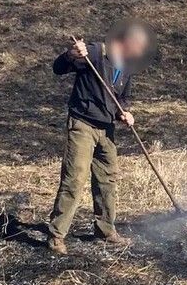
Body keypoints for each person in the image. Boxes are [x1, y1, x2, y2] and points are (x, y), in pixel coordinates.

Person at [46, 21, 152, 255]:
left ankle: (105, 230)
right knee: (75, 178)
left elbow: (123, 98)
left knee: (108, 177)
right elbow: (59, 68)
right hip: (83, 123)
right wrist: (70, 54)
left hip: (107, 128)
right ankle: (56, 235)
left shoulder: (126, 67)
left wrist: (125, 113)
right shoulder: (94, 52)